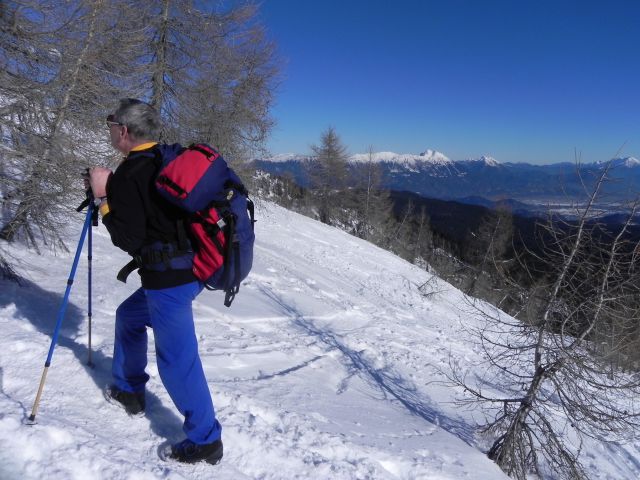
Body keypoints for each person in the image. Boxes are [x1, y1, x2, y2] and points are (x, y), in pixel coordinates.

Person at [88, 98, 223, 465]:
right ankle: (130, 389)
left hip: (169, 281)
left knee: (177, 361)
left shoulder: (133, 173)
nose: (111, 130)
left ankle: (206, 439)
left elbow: (128, 238)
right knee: (129, 318)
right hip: (189, 269)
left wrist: (103, 197)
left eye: (113, 125)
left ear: (125, 132)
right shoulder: (166, 158)